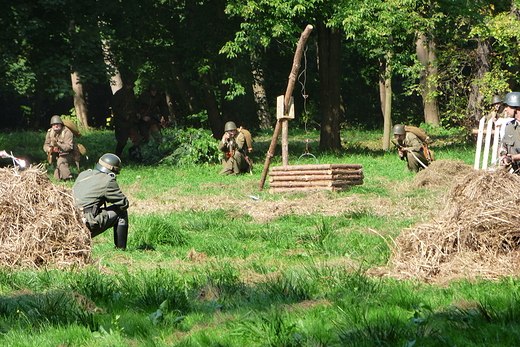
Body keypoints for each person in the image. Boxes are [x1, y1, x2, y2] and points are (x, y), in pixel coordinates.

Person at [72, 153, 129, 250]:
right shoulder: (108, 180)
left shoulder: (83, 174)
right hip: (86, 222)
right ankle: (121, 249)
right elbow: (124, 204)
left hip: (71, 219)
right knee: (122, 212)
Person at [112, 78, 142, 161]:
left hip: (132, 119)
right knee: (122, 141)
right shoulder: (119, 94)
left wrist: (137, 113)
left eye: (130, 85)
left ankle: (136, 156)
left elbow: (134, 105)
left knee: (136, 138)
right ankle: (117, 157)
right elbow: (115, 107)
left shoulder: (131, 93)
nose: (129, 87)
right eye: (128, 85)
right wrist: (124, 115)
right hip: (121, 121)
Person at [43, 115, 75, 181]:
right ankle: (74, 176)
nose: (56, 126)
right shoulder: (50, 132)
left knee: (61, 161)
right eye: (54, 124)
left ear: (61, 125)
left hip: (68, 154)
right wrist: (48, 149)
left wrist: (58, 145)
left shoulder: (67, 132)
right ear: (52, 126)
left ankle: (68, 178)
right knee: (57, 178)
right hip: (56, 154)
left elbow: (69, 147)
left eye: (58, 124)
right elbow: (46, 144)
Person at [498, 92, 520, 169]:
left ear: (516, 108)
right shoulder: (509, 127)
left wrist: (515, 157)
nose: (505, 109)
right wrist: (504, 156)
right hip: (516, 173)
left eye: (508, 106)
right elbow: (503, 146)